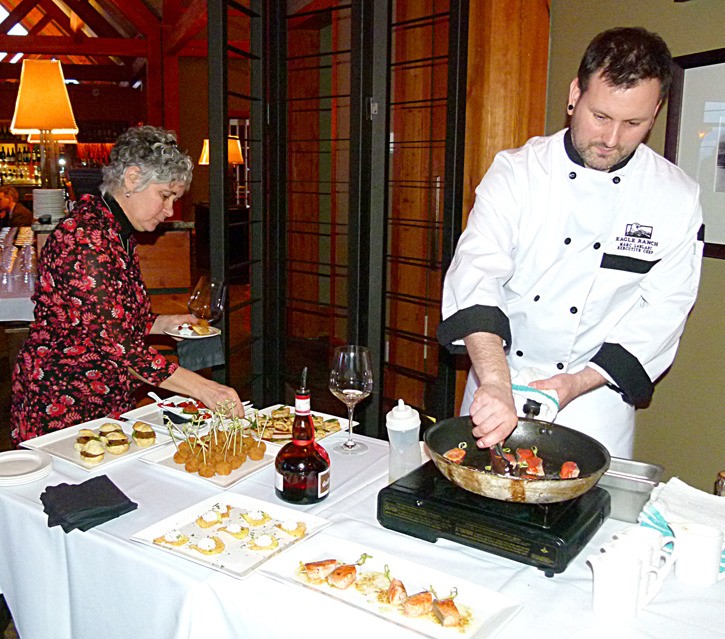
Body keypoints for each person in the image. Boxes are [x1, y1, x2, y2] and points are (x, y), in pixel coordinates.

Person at [437, 27, 703, 458]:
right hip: (498, 382)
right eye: (600, 116)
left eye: (633, 123)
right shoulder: (517, 173)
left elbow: (664, 311)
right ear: (575, 93)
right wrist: (497, 381)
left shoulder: (675, 197)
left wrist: (576, 383)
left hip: (595, 401)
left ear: (655, 111)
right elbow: (477, 273)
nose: (612, 140)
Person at [10, 125, 243, 445]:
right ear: (133, 178)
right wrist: (205, 388)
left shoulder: (113, 229)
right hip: (64, 404)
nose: (169, 210)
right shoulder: (87, 240)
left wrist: (163, 323)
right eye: (165, 195)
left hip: (101, 400)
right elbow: (119, 349)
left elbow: (109, 321)